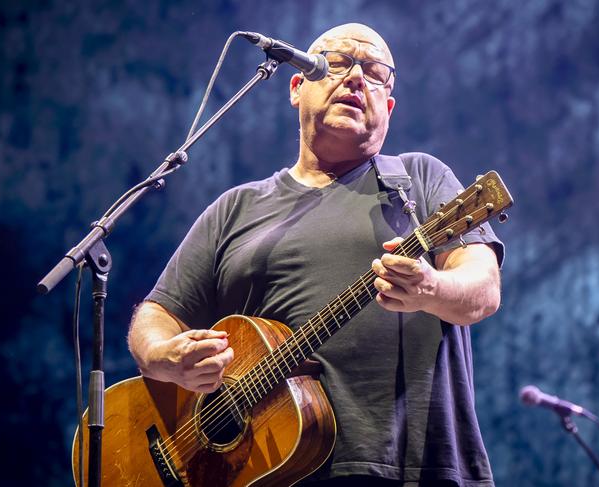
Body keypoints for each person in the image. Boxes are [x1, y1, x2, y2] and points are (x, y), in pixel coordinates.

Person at [128, 23, 504, 487]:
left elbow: (482, 290)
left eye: (374, 73)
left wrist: (431, 287)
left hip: (408, 470)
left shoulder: (417, 180)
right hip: (260, 473)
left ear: (388, 107)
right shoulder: (237, 208)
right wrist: (163, 356)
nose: (355, 79)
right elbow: (158, 312)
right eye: (338, 63)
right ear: (295, 85)